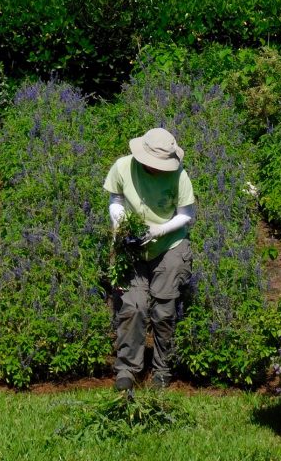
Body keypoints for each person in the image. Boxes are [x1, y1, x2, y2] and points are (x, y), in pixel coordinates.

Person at [103, 126, 195, 390]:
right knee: (133, 307)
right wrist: (120, 222)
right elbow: (116, 197)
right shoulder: (122, 167)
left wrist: (158, 230)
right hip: (130, 247)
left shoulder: (179, 175)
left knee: (164, 310)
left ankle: (162, 369)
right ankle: (127, 371)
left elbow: (186, 213)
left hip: (169, 245)